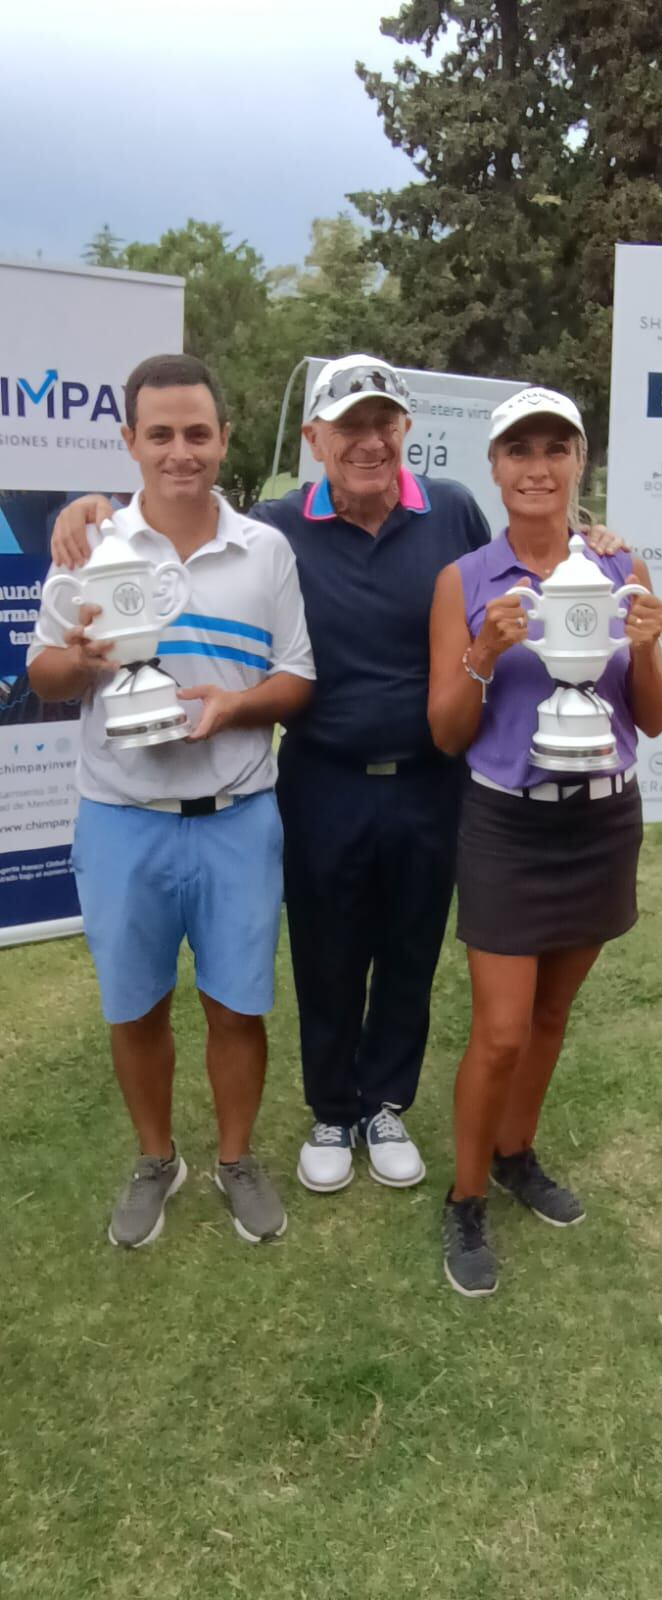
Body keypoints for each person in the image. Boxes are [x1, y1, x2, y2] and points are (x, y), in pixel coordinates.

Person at [48, 356, 621, 1202]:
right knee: (325, 949)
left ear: (406, 433)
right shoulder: (280, 527)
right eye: (348, 426)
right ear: (313, 439)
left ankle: (385, 1103)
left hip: (431, 777)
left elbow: (525, 556)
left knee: (408, 947)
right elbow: (179, 505)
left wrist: (592, 536)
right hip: (322, 775)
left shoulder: (452, 509)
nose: (368, 441)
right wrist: (88, 507)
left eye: (383, 423)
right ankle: (330, 1109)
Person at [28, 354, 315, 1249]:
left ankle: (234, 1159)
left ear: (224, 439)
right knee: (134, 1005)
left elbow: (297, 677)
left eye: (197, 433)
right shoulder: (90, 546)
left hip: (236, 814)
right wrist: (84, 661)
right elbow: (42, 673)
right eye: (161, 434)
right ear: (129, 442)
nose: (180, 451)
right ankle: (158, 1159)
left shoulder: (265, 549)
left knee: (237, 1005)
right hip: (120, 819)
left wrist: (238, 706)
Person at [428, 386, 662, 1298]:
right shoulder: (465, 580)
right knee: (496, 1031)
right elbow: (446, 732)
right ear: (492, 467)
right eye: (518, 450)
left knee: (550, 1016)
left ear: (578, 463)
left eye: (555, 449)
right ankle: (463, 1198)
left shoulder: (619, 566)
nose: (537, 467)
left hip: (603, 816)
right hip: (507, 821)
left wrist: (646, 645)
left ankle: (514, 1152)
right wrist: (482, 653)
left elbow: (647, 715)